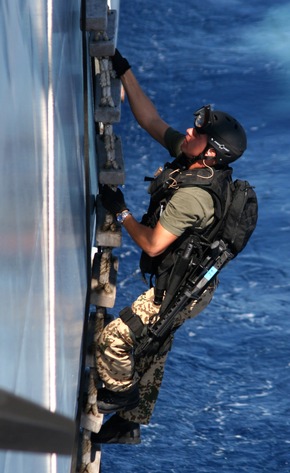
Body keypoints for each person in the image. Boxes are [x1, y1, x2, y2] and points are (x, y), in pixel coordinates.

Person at [91, 50, 247, 445]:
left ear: (211, 152)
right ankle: (129, 424)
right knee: (155, 342)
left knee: (116, 339)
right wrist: (124, 71)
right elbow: (150, 120)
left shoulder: (195, 196)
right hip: (188, 276)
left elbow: (153, 243)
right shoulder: (193, 160)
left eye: (198, 134)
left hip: (182, 286)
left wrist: (121, 211)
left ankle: (120, 394)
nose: (188, 133)